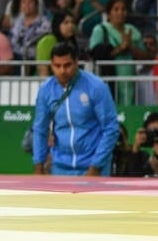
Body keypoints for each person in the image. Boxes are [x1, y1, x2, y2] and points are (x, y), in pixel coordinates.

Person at [32, 43, 119, 176]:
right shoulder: (46, 90)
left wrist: (96, 166)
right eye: (57, 66)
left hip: (93, 166)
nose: (62, 71)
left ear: (77, 62)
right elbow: (40, 129)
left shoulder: (96, 86)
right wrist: (38, 165)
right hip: (59, 167)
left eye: (67, 65)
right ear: (51, 65)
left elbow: (110, 128)